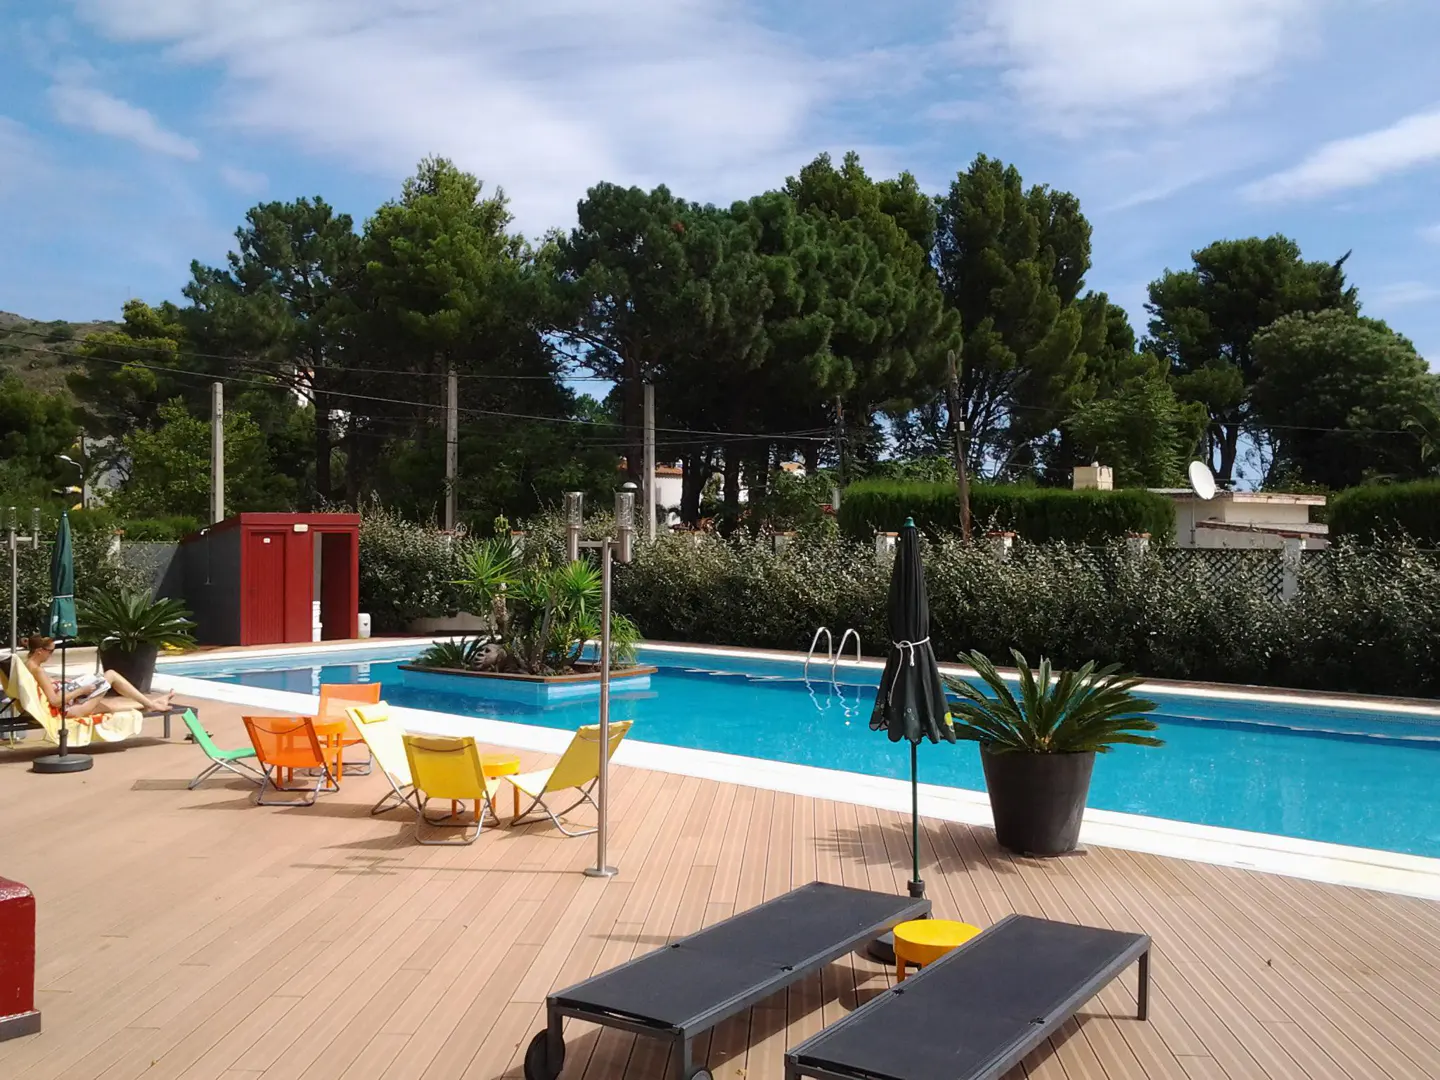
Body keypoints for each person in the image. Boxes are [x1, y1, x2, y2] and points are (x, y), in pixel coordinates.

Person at [24, 635, 174, 717]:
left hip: (69, 699)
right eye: (50, 652)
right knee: (111, 675)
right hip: (68, 708)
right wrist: (81, 691)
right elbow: (55, 701)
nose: (51, 655)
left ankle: (152, 704)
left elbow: (44, 687)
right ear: (39, 651)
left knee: (110, 706)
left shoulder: (28, 665)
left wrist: (60, 681)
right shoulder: (38, 670)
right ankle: (151, 704)